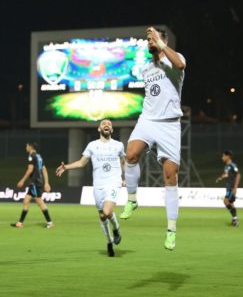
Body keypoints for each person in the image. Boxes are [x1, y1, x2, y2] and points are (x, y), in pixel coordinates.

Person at [119, 26, 186, 251]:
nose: (148, 42)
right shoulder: (147, 68)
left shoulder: (175, 60)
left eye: (152, 39)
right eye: (147, 39)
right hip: (148, 121)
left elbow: (180, 65)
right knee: (131, 154)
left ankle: (171, 230)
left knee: (170, 176)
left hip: (169, 125)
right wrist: (154, 42)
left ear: (162, 40)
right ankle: (132, 199)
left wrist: (160, 43)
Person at [56, 119, 125, 257]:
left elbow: (124, 162)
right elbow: (82, 163)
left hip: (113, 182)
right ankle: (109, 242)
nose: (107, 125)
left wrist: (124, 178)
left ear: (111, 130)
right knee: (102, 215)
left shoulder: (118, 145)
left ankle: (116, 229)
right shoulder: (92, 145)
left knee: (107, 211)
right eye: (104, 124)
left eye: (109, 124)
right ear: (99, 129)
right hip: (98, 184)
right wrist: (66, 167)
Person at [11, 142, 53, 228]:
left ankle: (50, 223)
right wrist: (46, 182)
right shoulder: (39, 156)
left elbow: (30, 170)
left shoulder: (31, 156)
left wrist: (22, 180)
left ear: (30, 147)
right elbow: (44, 170)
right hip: (36, 183)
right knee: (26, 200)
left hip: (35, 182)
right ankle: (20, 223)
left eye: (26, 146)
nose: (26, 147)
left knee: (40, 202)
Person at [216, 150, 241, 226]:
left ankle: (235, 219)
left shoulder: (232, 165)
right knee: (229, 202)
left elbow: (238, 175)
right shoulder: (227, 166)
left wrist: (235, 187)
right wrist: (221, 177)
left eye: (223, 156)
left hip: (232, 187)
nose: (222, 157)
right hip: (229, 187)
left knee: (226, 201)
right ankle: (235, 219)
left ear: (228, 156)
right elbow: (227, 174)